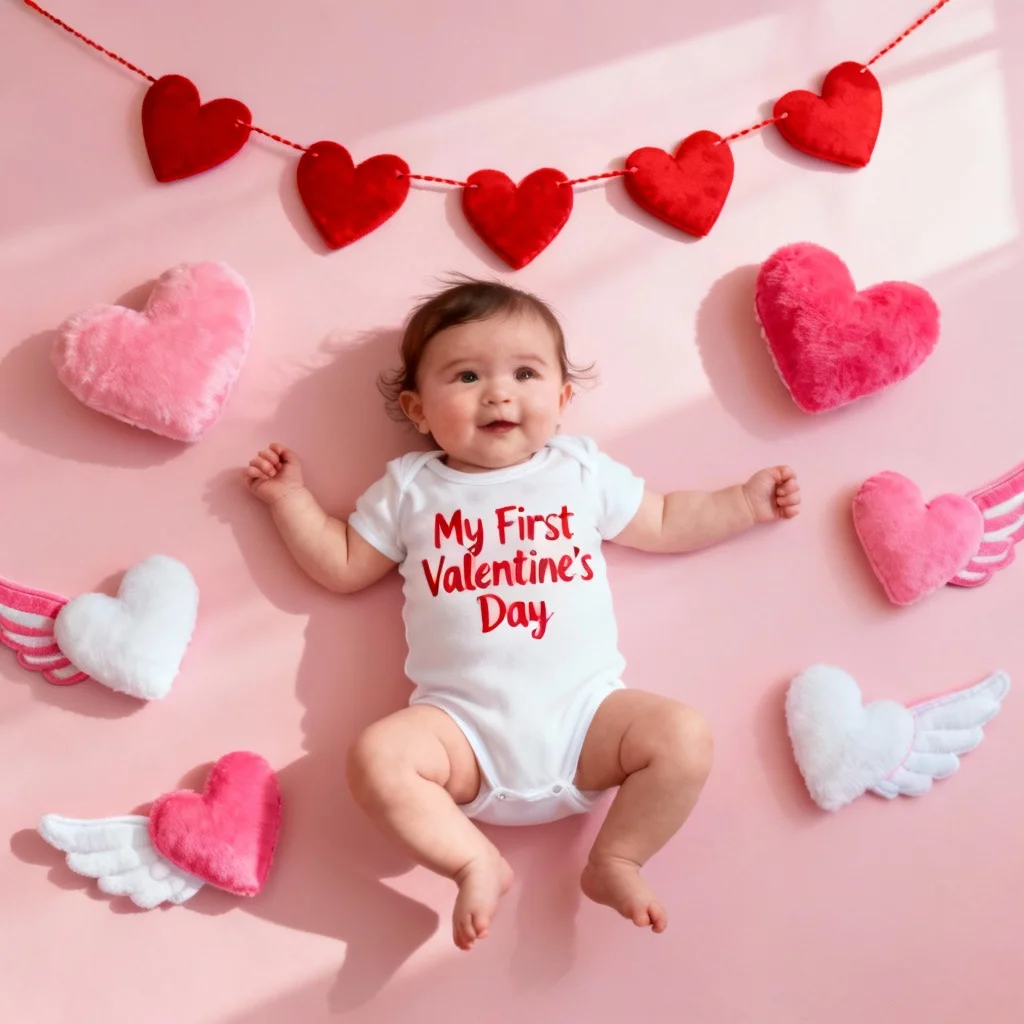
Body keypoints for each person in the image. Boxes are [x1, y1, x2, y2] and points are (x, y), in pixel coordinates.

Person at [244, 278, 801, 950]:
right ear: (418, 408)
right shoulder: (412, 489)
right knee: (377, 757)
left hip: (590, 720)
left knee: (683, 735)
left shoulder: (577, 470)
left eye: (526, 373)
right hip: (461, 734)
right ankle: (472, 859)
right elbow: (341, 564)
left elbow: (660, 518)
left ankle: (616, 858)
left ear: (562, 400)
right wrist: (289, 503)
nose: (499, 393)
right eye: (468, 375)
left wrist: (743, 504)